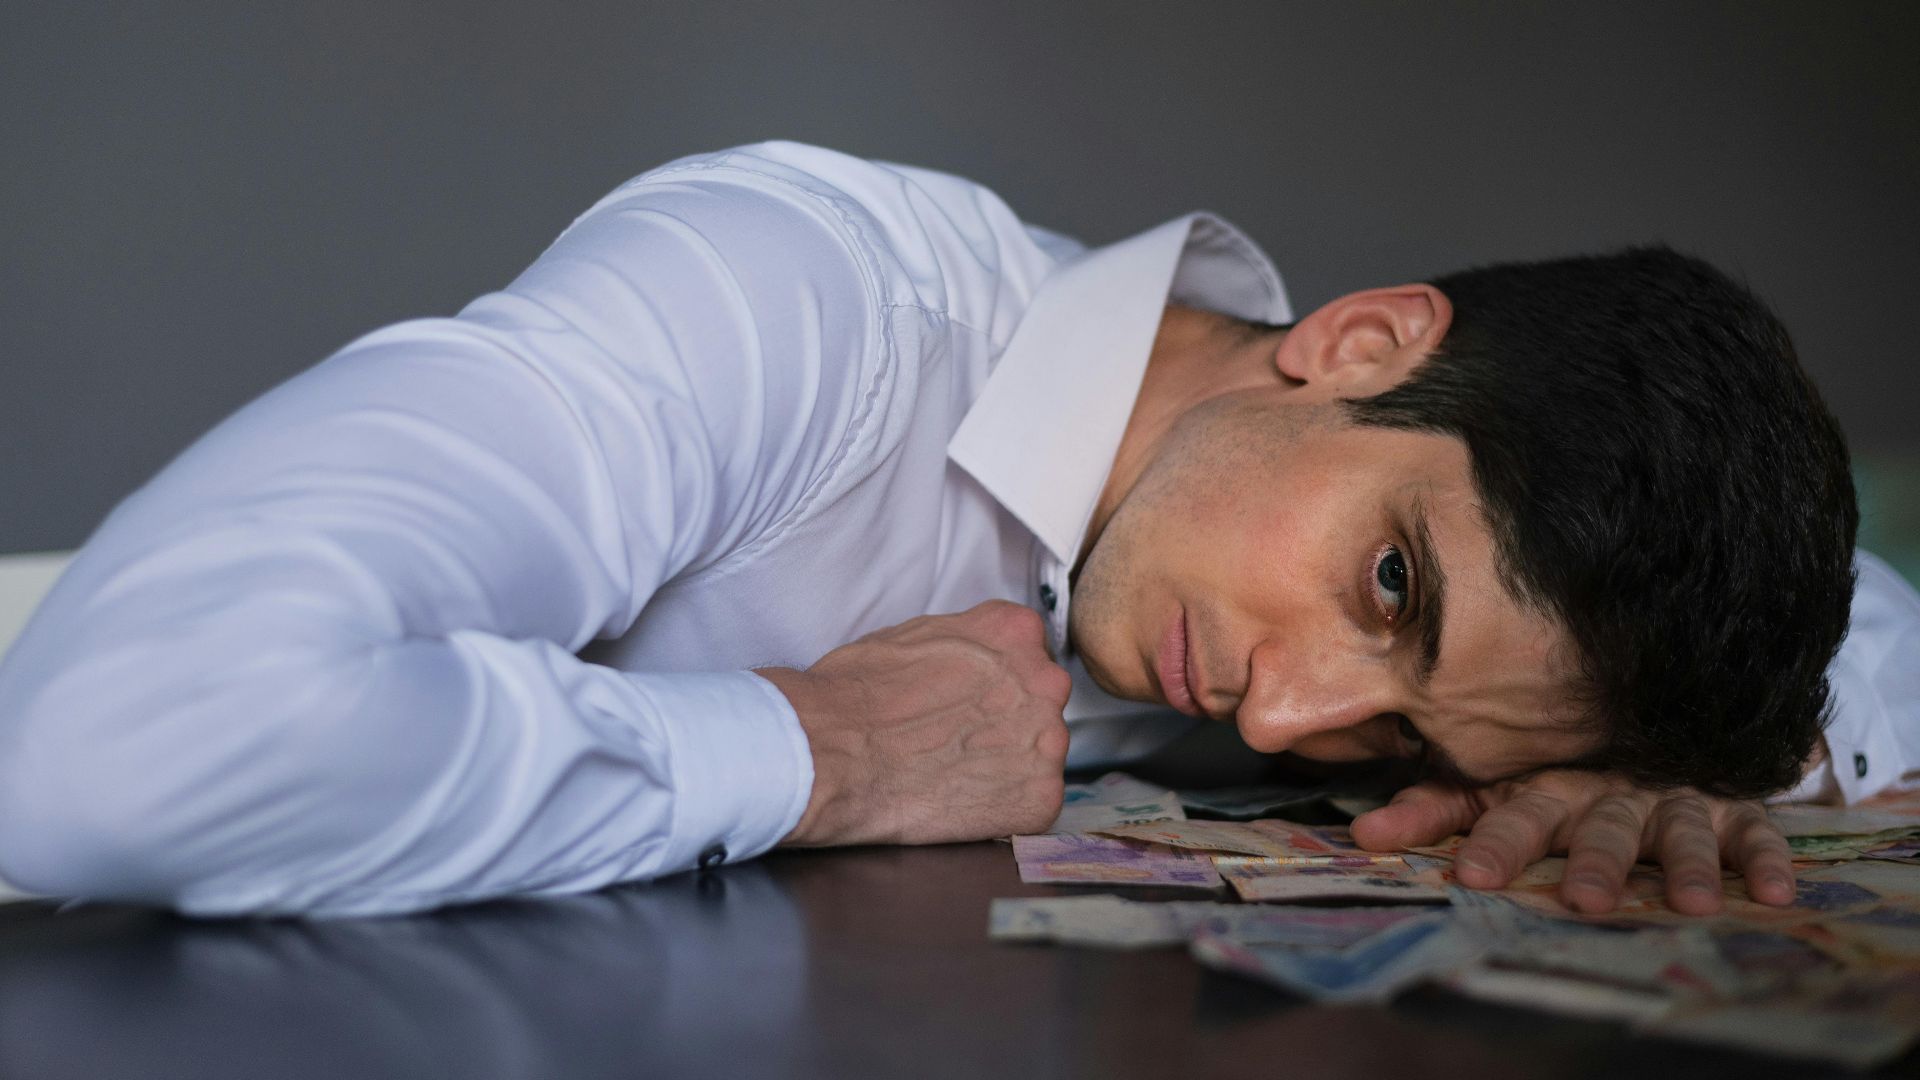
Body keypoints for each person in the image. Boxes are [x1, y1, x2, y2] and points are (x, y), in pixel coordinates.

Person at [0, 141, 1911, 918]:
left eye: (1397, 735)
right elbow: (106, 757)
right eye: (1388, 591)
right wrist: (815, 750)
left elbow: (1877, 630)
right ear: (1359, 344)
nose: (1281, 721)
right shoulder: (798, 308)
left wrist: (1703, 785)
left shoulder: (1334, 593)